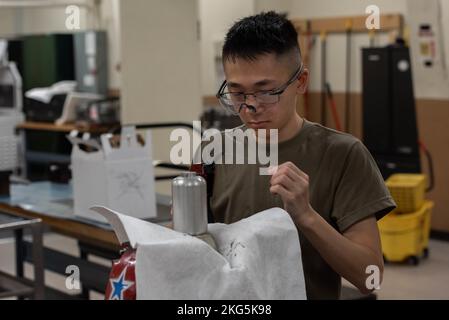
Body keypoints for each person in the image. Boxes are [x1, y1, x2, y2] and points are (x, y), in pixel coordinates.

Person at [204, 11, 396, 300]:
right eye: (237, 93)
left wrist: (306, 216)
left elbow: (370, 278)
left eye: (267, 91)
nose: (250, 106)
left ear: (301, 81)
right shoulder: (214, 152)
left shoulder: (344, 155)